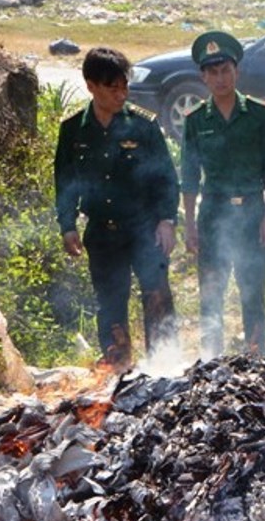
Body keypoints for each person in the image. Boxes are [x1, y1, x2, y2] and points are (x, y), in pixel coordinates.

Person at [53, 47, 179, 369]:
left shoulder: (143, 127)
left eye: (125, 86)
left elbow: (166, 178)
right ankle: (118, 369)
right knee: (109, 304)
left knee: (157, 298)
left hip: (144, 230)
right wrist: (67, 225)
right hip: (103, 233)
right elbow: (64, 180)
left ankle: (165, 368)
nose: (122, 94)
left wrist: (167, 220)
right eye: (113, 88)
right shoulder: (73, 131)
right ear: (91, 85)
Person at [180, 31, 265, 357]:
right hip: (213, 213)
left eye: (226, 70)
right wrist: (191, 225)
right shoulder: (196, 120)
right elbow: (189, 178)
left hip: (252, 212)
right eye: (213, 72)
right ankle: (212, 361)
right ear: (203, 76)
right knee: (211, 293)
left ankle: (257, 358)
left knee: (253, 293)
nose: (220, 78)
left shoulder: (258, 114)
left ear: (236, 71)